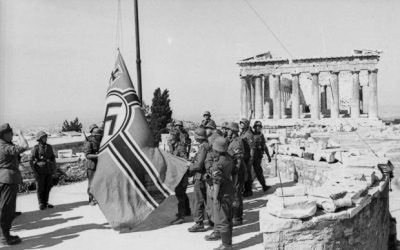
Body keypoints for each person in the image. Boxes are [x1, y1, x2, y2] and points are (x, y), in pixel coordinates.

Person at [0, 123, 28, 245]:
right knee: (7, 209)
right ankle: (4, 237)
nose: (12, 135)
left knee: (4, 208)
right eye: (10, 133)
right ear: (4, 134)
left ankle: (4, 235)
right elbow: (24, 146)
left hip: (5, 178)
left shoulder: (4, 145)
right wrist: (21, 135)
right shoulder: (5, 147)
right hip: (8, 179)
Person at [204, 137, 234, 250]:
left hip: (222, 192)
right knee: (228, 219)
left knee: (222, 220)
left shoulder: (218, 164)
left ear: (216, 149)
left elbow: (216, 182)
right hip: (230, 190)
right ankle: (228, 244)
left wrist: (215, 197)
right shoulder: (229, 159)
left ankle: (226, 246)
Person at [187, 127, 210, 232]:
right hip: (205, 177)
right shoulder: (206, 145)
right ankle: (210, 219)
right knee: (206, 200)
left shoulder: (203, 147)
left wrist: (189, 166)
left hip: (200, 176)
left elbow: (199, 165)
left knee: (197, 200)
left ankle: (199, 223)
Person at [170, 121, 191, 224]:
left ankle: (181, 217)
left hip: (182, 174)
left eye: (172, 135)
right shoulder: (174, 145)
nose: (170, 137)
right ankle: (187, 211)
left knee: (180, 194)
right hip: (179, 172)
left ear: (175, 137)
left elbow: (185, 160)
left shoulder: (180, 146)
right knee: (182, 193)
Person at [30, 131, 56, 210]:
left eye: (45, 137)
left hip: (48, 170)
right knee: (40, 187)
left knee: (48, 187)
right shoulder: (36, 148)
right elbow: (31, 160)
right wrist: (35, 171)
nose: (45, 138)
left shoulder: (49, 147)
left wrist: (54, 168)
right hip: (40, 171)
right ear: (39, 139)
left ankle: (46, 202)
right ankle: (41, 203)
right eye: (43, 137)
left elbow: (53, 158)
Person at [226, 122, 246, 226]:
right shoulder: (233, 141)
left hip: (237, 172)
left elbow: (238, 160)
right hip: (235, 171)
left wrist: (234, 172)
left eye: (229, 130)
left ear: (233, 131)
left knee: (236, 194)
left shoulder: (236, 142)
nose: (227, 131)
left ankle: (237, 217)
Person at [84, 128, 103, 205]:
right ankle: (91, 199)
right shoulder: (89, 143)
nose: (99, 137)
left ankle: (98, 198)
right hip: (91, 165)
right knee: (91, 183)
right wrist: (97, 155)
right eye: (98, 136)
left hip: (99, 165)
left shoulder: (100, 142)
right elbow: (87, 155)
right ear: (94, 135)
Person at [252, 121, 271, 192]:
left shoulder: (261, 135)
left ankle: (264, 186)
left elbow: (264, 146)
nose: (258, 128)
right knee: (253, 172)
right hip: (252, 156)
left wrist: (268, 155)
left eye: (259, 127)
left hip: (258, 156)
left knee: (258, 172)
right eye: (257, 126)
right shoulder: (251, 134)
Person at [239, 118, 255, 197]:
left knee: (248, 173)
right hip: (243, 156)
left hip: (247, 157)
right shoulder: (243, 133)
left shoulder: (249, 134)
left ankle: (248, 190)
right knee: (243, 173)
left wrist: (251, 159)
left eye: (243, 123)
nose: (241, 124)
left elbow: (252, 148)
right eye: (240, 123)